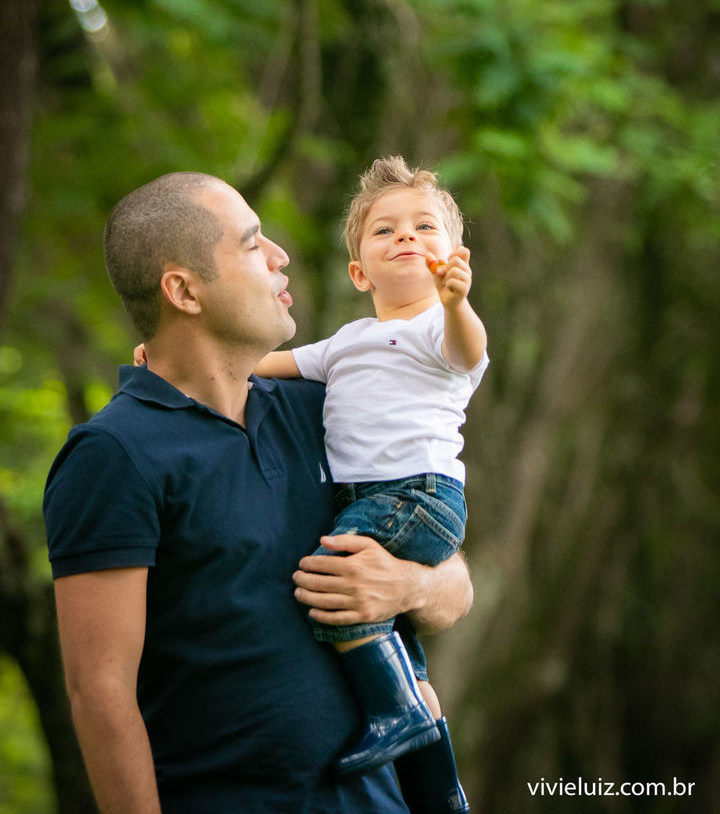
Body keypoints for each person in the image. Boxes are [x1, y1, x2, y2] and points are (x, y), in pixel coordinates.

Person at [43, 171, 473, 814]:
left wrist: (408, 587)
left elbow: (454, 585)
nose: (281, 256)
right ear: (183, 291)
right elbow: (100, 693)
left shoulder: (324, 409)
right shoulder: (115, 454)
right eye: (252, 244)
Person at [253, 156, 488, 812]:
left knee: (338, 576)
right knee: (399, 645)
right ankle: (440, 791)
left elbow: (469, 353)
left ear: (450, 254)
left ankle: (395, 713)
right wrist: (172, 362)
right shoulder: (346, 342)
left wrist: (457, 303)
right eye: (385, 232)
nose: (406, 236)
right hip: (370, 500)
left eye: (424, 227)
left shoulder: (440, 329)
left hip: (419, 496)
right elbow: (260, 364)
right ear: (360, 272)